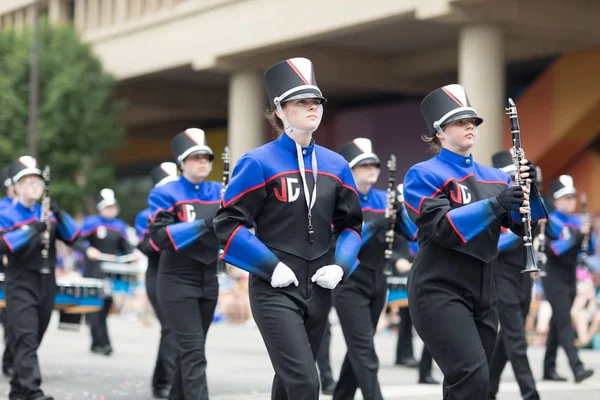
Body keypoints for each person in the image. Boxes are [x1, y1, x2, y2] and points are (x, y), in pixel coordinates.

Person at [213, 57, 363, 400]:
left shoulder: (337, 165)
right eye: (301, 101)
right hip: (274, 287)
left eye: (316, 101)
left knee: (290, 382)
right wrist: (269, 266)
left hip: (321, 286)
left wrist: (340, 266)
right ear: (279, 109)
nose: (312, 107)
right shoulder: (257, 161)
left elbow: (352, 225)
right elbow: (227, 223)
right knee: (306, 384)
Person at [402, 84, 547, 399]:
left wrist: (531, 189)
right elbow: (442, 227)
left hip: (485, 287)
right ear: (439, 131)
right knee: (472, 375)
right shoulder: (421, 174)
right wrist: (496, 204)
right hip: (438, 286)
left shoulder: (496, 177)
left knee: (469, 383)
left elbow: (528, 228)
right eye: (459, 121)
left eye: (472, 121)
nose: (470, 125)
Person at [331, 138, 418, 399]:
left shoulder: (384, 198)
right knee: (364, 349)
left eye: (374, 164)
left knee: (360, 346)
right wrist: (376, 224)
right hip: (349, 280)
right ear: (350, 169)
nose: (372, 169)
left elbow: (412, 235)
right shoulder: (338, 199)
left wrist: (402, 212)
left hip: (378, 278)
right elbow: (337, 240)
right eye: (364, 165)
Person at [148, 129, 223, 400]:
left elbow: (242, 224)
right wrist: (204, 225)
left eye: (206, 157)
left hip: (209, 278)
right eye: (195, 157)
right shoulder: (165, 193)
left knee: (189, 352)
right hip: (176, 280)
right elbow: (158, 237)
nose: (202, 161)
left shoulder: (220, 190)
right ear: (182, 163)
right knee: (193, 352)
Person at [0, 156, 79, 400]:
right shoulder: (8, 211)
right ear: (17, 186)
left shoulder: (47, 211)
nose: (34, 186)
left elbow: (73, 236)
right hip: (20, 278)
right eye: (28, 181)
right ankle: (33, 390)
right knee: (26, 335)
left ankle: (17, 390)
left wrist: (59, 213)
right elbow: (3, 244)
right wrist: (32, 229)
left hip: (47, 279)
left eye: (37, 181)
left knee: (35, 336)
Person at [487, 150, 540, 400]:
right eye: (511, 177)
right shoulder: (496, 198)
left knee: (507, 337)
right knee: (516, 339)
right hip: (500, 274)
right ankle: (530, 394)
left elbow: (536, 228)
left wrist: (534, 187)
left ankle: (488, 388)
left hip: (523, 274)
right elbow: (495, 242)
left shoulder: (525, 197)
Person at [541, 175, 595, 383]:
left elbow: (588, 250)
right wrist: (575, 237)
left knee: (557, 322)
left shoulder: (578, 220)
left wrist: (587, 236)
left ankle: (549, 367)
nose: (570, 201)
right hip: (553, 275)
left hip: (570, 275)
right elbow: (553, 249)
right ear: (555, 200)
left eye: (572, 197)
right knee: (564, 321)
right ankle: (577, 367)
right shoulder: (550, 219)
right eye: (565, 197)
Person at [135, 162, 179, 399]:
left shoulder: (186, 207)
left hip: (183, 273)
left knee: (177, 331)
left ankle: (165, 380)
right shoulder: (146, 215)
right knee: (171, 328)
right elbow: (145, 246)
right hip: (157, 274)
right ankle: (167, 383)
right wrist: (171, 232)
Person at [76, 188, 136, 356]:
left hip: (110, 273)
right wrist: (88, 250)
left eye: (112, 206)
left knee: (105, 308)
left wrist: (132, 256)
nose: (111, 210)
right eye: (107, 206)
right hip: (93, 271)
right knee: (94, 308)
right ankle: (101, 343)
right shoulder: (91, 222)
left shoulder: (120, 226)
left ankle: (101, 342)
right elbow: (78, 242)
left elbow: (127, 248)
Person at [0, 165, 15, 377]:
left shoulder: (33, 209)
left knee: (13, 320)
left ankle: (11, 360)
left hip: (15, 272)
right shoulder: (2, 207)